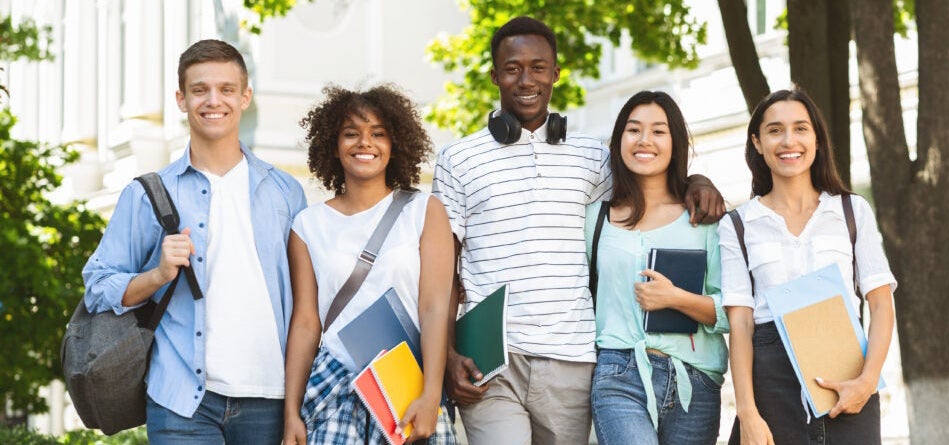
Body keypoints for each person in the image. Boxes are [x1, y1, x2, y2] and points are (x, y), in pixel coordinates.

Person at [431, 16, 725, 444]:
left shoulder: (592, 157)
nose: (526, 80)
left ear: (555, 73)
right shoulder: (457, 158)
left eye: (538, 67)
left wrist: (698, 181)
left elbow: (645, 180)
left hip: (571, 357)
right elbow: (441, 271)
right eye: (512, 68)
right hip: (491, 358)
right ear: (494, 76)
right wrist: (447, 353)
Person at [83, 39, 306, 444]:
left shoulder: (285, 192)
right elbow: (97, 285)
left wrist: (296, 405)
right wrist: (157, 275)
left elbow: (307, 301)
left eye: (226, 89)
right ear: (181, 100)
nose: (213, 100)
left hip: (271, 398)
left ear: (245, 97)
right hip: (182, 401)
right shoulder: (146, 194)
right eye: (200, 90)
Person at [718, 89, 896, 445]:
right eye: (775, 130)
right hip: (771, 385)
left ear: (817, 139)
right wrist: (747, 413)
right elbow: (740, 324)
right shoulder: (737, 224)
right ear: (757, 142)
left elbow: (880, 304)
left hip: (848, 381)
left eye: (800, 128)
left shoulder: (851, 211)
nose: (789, 141)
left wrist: (866, 383)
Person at [282, 84, 456, 445]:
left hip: (406, 388)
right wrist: (291, 414)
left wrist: (431, 394)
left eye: (378, 134)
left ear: (395, 144)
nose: (365, 143)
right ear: (333, 145)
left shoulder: (424, 211)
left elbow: (435, 308)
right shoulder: (308, 225)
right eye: (351, 134)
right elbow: (306, 323)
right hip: (334, 386)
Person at [585, 91, 728, 445]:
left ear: (675, 142)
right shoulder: (594, 220)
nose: (644, 140)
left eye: (658, 131)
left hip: (695, 381)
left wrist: (676, 298)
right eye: (634, 130)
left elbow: (733, 312)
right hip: (618, 375)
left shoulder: (705, 219)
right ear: (618, 141)